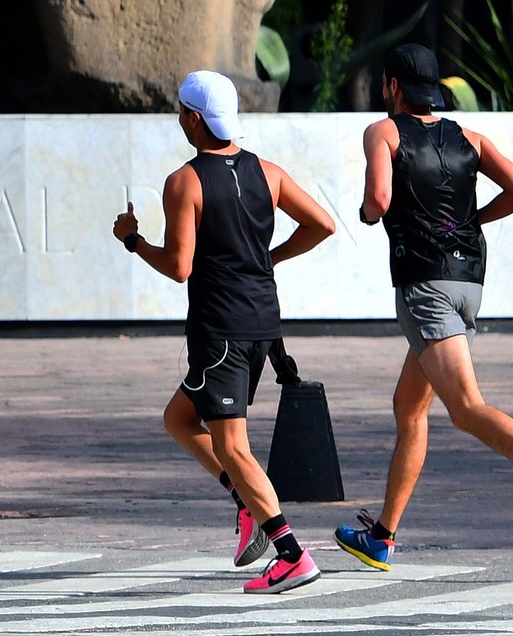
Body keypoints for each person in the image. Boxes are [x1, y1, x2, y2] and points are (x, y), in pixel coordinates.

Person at [334, 44, 513, 571]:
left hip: (424, 285)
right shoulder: (470, 138)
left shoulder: (382, 132)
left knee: (466, 408)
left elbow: (379, 201)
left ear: (392, 86)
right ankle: (382, 536)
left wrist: (366, 213)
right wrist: (473, 219)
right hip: (467, 281)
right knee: (410, 408)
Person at [112, 70, 336, 593]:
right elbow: (322, 224)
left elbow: (180, 267)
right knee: (179, 418)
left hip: (221, 331)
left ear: (193, 118)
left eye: (179, 112)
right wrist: (270, 257)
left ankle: (291, 554)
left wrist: (133, 241)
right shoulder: (269, 172)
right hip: (263, 324)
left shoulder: (184, 182)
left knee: (233, 447)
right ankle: (245, 501)